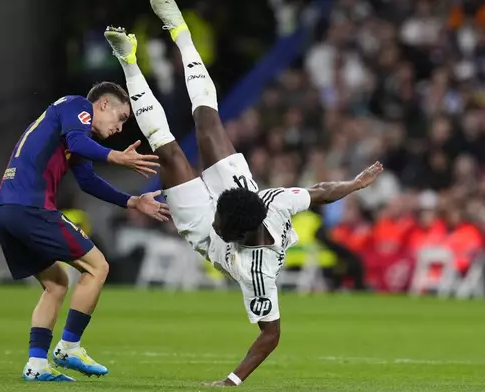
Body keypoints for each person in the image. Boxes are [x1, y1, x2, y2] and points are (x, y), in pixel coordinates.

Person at [105, 0, 383, 386]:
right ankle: (179, 29)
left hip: (201, 230)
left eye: (224, 222)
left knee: (166, 147)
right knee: (206, 118)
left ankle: (128, 61)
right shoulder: (274, 202)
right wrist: (354, 184)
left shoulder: (257, 273)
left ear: (231, 234)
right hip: (238, 192)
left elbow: (271, 335)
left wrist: (231, 381)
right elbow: (319, 192)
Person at [0, 82, 170, 382]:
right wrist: (117, 157)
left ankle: (36, 365)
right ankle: (69, 347)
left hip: (5, 212)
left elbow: (87, 180)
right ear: (101, 105)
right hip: (31, 208)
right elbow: (77, 144)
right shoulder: (76, 106)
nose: (120, 127)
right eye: (121, 117)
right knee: (98, 266)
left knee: (57, 283)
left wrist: (133, 201)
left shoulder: (73, 131)